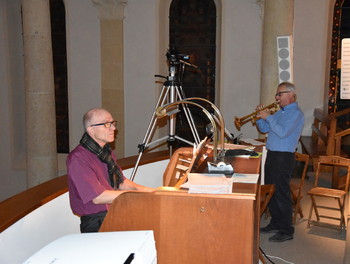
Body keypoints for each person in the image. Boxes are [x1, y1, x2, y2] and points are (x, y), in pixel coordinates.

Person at [67, 108, 154, 233]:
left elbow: (121, 183)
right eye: (106, 124)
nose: (113, 128)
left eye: (113, 123)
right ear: (91, 129)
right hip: (96, 222)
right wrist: (138, 196)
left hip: (113, 211)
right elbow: (98, 197)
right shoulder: (78, 158)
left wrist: (151, 191)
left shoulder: (106, 152)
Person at [255, 82, 304, 242]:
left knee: (282, 193)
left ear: (291, 94)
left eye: (279, 94)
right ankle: (275, 223)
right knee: (272, 191)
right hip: (273, 155)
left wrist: (268, 116)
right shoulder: (280, 112)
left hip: (284, 157)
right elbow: (265, 129)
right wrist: (260, 118)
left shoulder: (296, 114)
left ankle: (286, 230)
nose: (276, 98)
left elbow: (282, 133)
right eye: (277, 94)